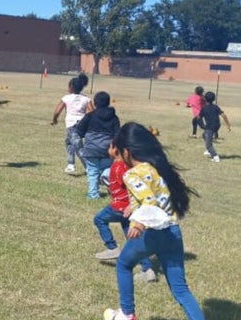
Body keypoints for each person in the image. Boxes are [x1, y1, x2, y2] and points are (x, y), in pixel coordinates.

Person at [103, 122, 204, 320]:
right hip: (173, 231)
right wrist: (134, 205)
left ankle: (127, 313)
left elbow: (149, 200)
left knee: (123, 264)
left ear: (126, 151)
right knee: (181, 290)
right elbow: (154, 196)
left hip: (152, 232)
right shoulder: (155, 169)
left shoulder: (131, 174)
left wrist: (138, 223)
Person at [94, 142, 157, 282]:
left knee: (99, 219)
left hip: (121, 207)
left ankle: (112, 247)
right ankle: (148, 270)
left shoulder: (118, 168)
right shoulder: (124, 166)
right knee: (133, 238)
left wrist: (131, 205)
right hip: (127, 207)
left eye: (110, 146)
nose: (107, 149)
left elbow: (132, 184)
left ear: (116, 150)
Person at [76, 91, 120, 199]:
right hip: (107, 150)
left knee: (92, 171)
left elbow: (79, 131)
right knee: (106, 168)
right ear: (108, 103)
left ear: (95, 103)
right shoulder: (114, 117)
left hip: (91, 149)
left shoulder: (90, 116)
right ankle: (107, 177)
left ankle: (93, 194)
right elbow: (118, 134)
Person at [51, 77, 94, 174]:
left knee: (78, 146)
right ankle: (70, 165)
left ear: (71, 87)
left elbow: (57, 111)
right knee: (69, 142)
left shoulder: (66, 98)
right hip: (83, 124)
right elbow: (92, 112)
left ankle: (89, 168)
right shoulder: (86, 99)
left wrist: (55, 120)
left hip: (72, 124)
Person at [198, 91, 231, 163]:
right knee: (204, 135)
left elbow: (199, 117)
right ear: (214, 99)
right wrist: (228, 125)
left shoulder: (204, 108)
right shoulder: (216, 107)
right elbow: (223, 115)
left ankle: (215, 156)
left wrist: (201, 125)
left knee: (208, 144)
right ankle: (209, 148)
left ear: (205, 99)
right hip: (217, 125)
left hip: (210, 127)